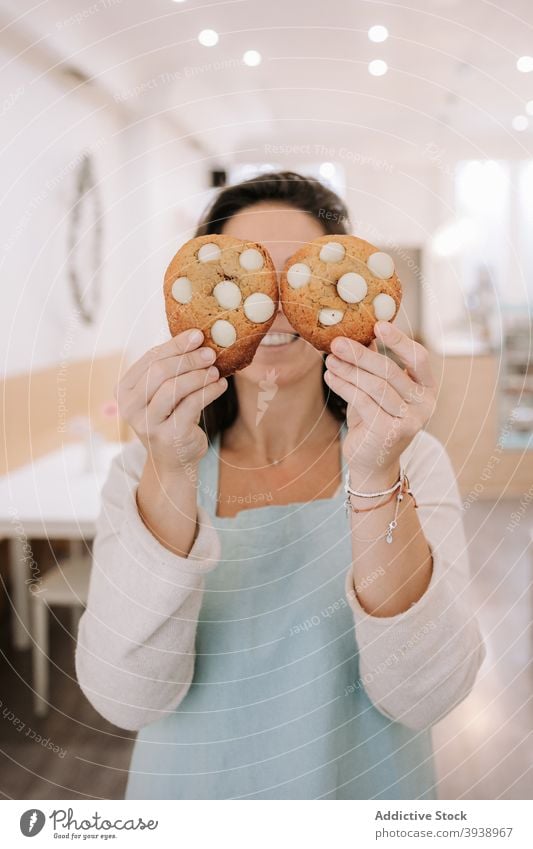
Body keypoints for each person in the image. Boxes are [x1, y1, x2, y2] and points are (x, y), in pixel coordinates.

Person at [76, 171, 485, 799]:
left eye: (298, 272)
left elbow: (425, 696)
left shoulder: (413, 463)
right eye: (246, 276)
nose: (268, 304)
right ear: (201, 297)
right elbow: (124, 698)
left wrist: (376, 474)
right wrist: (172, 469)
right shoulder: (141, 471)